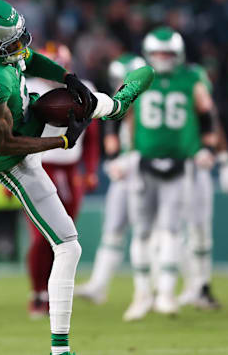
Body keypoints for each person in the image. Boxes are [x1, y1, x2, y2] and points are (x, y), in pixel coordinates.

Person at [0, 0, 153, 355]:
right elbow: (8, 143)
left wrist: (67, 77)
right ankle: (60, 348)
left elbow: (29, 58)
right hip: (9, 159)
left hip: (25, 111)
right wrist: (63, 140)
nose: (21, 47)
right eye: (10, 44)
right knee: (67, 245)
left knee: (78, 104)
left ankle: (113, 105)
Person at [123, 27, 221, 321]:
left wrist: (208, 147)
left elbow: (206, 113)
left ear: (178, 55)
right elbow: (125, 115)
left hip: (179, 164)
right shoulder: (138, 76)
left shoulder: (192, 78)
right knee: (141, 231)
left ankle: (165, 292)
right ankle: (142, 294)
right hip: (144, 162)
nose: (163, 58)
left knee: (171, 230)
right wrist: (123, 154)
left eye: (168, 53)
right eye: (158, 53)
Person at [24, 42, 100, 318]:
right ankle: (38, 293)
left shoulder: (82, 87)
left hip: (69, 171)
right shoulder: (26, 86)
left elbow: (91, 136)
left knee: (66, 238)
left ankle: (53, 295)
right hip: (36, 167)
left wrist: (90, 169)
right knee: (41, 237)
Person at [75, 54, 145, 305]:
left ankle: (150, 289)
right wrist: (115, 160)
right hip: (124, 177)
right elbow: (112, 136)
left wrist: (129, 160)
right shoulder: (118, 106)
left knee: (148, 233)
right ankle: (99, 286)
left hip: (147, 174)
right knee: (113, 230)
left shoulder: (147, 108)